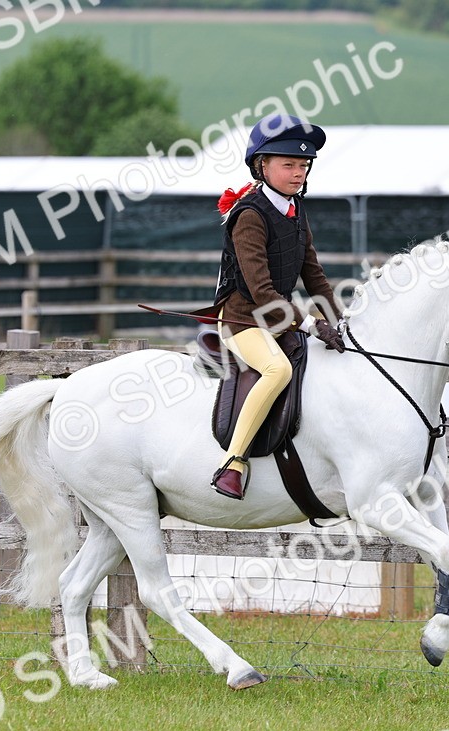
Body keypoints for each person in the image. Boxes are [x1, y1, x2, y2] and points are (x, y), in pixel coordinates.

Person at [197, 114, 344, 500]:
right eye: (289, 165)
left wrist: (339, 322)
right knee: (277, 370)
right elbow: (261, 292)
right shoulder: (249, 216)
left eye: (303, 165)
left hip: (279, 321)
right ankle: (233, 463)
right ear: (262, 166)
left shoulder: (296, 210)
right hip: (244, 320)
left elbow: (314, 274)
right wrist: (312, 325)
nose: (298, 173)